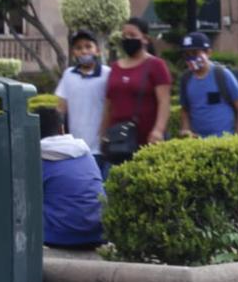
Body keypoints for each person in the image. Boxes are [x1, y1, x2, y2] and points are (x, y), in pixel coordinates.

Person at [100, 16, 172, 163]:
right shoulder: (114, 67)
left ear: (145, 39)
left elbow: (164, 102)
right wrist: (103, 133)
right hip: (118, 140)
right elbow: (108, 104)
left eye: (132, 35)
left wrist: (158, 130)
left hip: (148, 140)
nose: (127, 39)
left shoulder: (156, 65)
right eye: (124, 35)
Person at [38, 108, 105, 247]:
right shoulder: (85, 153)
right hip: (99, 233)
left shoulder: (38, 159)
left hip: (60, 237)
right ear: (62, 129)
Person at [54, 29, 111, 174]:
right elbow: (60, 107)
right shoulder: (68, 75)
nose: (84, 51)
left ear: (97, 50)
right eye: (78, 48)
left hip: (100, 147)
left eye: (88, 46)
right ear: (73, 53)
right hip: (75, 147)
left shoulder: (107, 74)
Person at [177, 32, 238, 138]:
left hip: (224, 140)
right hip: (197, 142)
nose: (190, 59)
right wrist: (186, 131)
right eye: (186, 55)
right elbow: (185, 109)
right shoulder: (186, 79)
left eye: (194, 53)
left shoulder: (222, 75)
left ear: (208, 53)